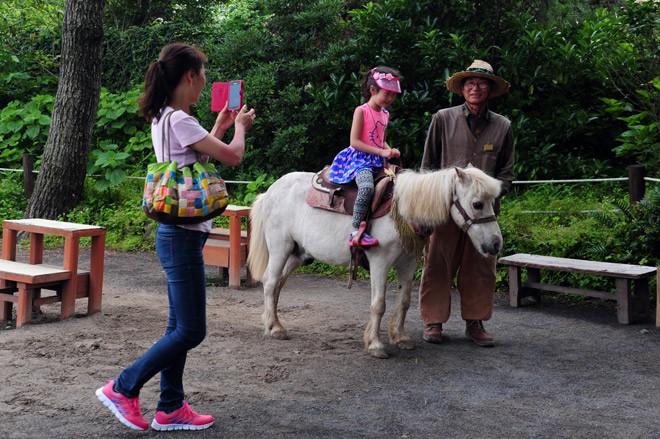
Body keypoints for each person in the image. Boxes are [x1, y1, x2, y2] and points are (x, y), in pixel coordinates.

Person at [96, 42, 256, 432]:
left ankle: (170, 407)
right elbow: (232, 156)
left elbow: (193, 159)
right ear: (190, 76)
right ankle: (123, 387)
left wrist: (218, 125)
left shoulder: (167, 118)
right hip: (182, 237)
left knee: (176, 327)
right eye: (202, 74)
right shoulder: (181, 121)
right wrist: (239, 129)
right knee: (190, 330)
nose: (204, 81)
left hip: (177, 233)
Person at [419, 59, 514, 347]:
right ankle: (433, 322)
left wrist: (492, 195)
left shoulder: (502, 126)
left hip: (483, 214)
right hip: (446, 212)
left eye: (482, 82)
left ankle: (475, 323)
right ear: (462, 88)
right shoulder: (443, 118)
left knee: (482, 266)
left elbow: (506, 171)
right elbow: (428, 165)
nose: (475, 87)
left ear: (490, 89)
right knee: (437, 263)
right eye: (470, 82)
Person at [327, 66, 402, 247]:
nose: (390, 99)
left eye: (393, 95)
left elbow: (380, 140)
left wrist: (390, 149)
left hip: (378, 160)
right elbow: (355, 142)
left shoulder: (385, 113)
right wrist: (381, 152)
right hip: (360, 160)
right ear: (372, 90)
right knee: (367, 187)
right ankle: (356, 231)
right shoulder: (362, 111)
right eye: (387, 94)